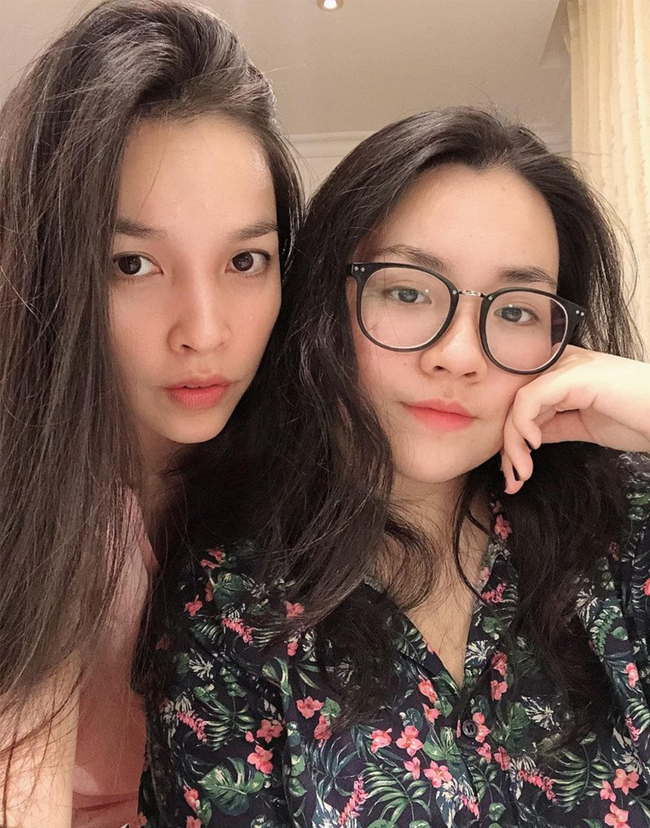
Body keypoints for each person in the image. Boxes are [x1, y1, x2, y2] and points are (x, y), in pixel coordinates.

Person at [140, 107, 650, 828]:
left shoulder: (623, 525)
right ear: (326, 306)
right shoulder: (227, 603)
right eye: (408, 292)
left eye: (516, 311)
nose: (459, 355)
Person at [0, 1, 301, 825]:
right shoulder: (37, 509)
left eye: (246, 260)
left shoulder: (316, 488)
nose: (203, 331)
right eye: (132, 264)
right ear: (53, 273)